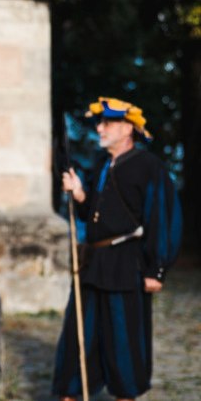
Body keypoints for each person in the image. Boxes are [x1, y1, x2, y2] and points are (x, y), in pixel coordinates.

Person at [53, 97, 182, 400]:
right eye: (100, 123)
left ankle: (126, 393)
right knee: (81, 337)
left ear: (127, 128)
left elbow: (162, 218)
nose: (99, 128)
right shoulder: (102, 165)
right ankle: (72, 391)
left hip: (128, 265)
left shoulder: (149, 167)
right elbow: (96, 216)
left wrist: (157, 269)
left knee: (124, 341)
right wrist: (80, 194)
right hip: (94, 263)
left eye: (107, 123)